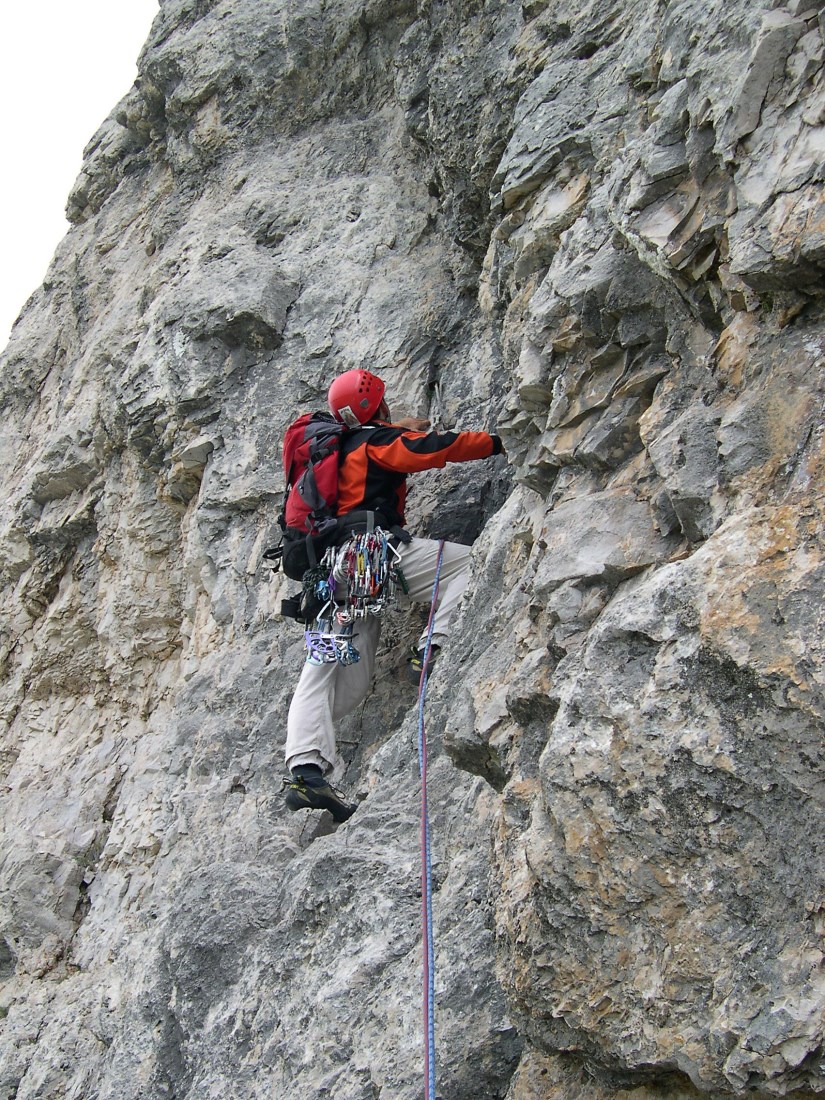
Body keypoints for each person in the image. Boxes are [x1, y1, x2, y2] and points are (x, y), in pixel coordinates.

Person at [283, 368, 504, 822]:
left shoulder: (332, 450)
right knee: (469, 563)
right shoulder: (374, 443)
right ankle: (433, 646)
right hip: (371, 556)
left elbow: (395, 436)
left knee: (338, 676)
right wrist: (498, 441)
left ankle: (306, 768)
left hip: (333, 574)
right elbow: (428, 450)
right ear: (376, 407)